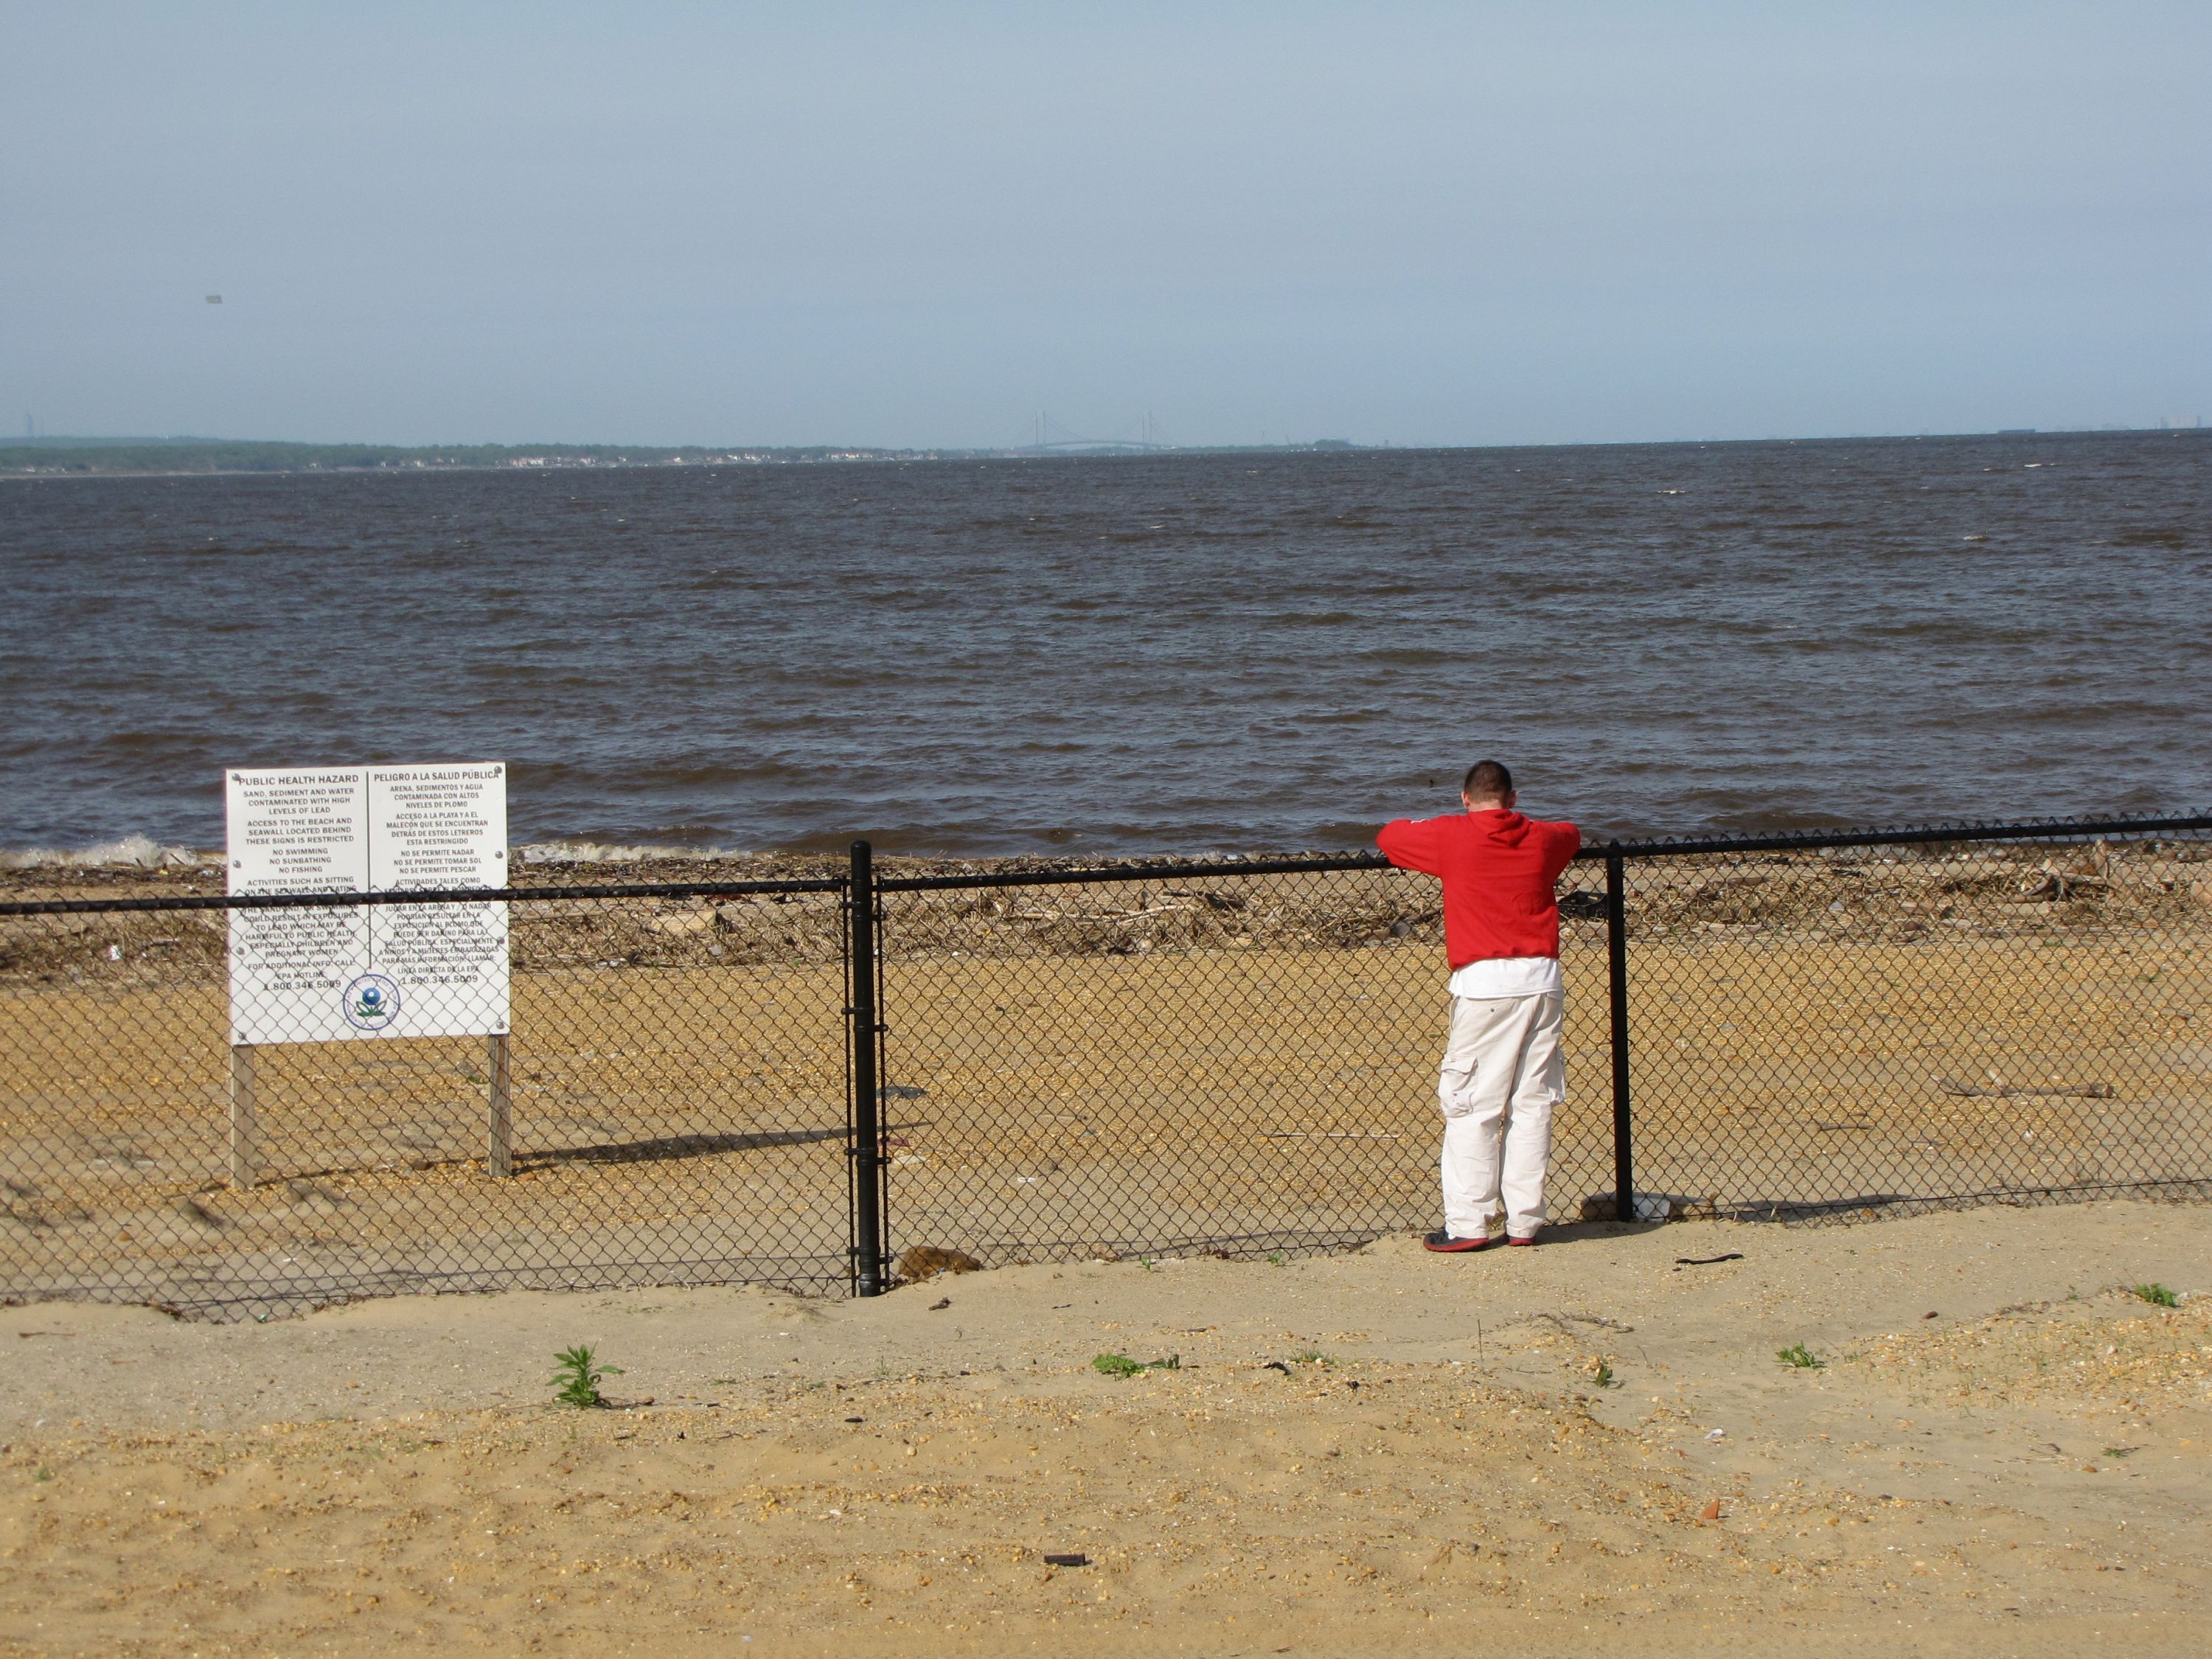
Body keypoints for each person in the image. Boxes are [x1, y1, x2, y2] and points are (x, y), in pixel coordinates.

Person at [1377, 760, 1581, 1251]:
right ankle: (1524, 1222)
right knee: (1532, 1103)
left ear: (1465, 799)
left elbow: (1390, 837)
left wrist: (1458, 827)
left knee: (1472, 1104)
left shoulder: (1453, 835)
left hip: (1486, 983)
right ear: (1512, 798)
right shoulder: (1540, 837)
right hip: (1541, 979)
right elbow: (1569, 834)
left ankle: (1468, 1223)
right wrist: (1518, 825)